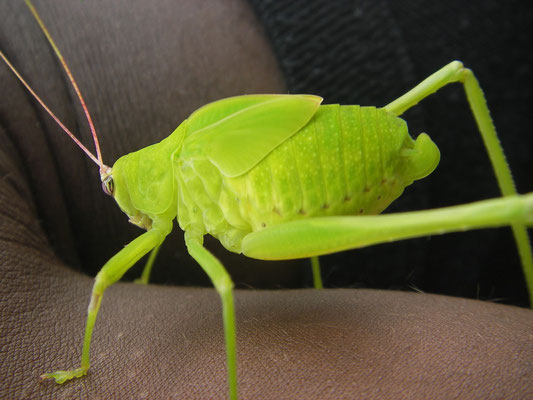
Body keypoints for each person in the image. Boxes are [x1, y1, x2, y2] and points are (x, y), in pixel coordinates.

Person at [1, 1, 531, 398]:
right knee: (454, 73)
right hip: (335, 72)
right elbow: (159, 227)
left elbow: (220, 288)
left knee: (502, 196)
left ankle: (82, 367)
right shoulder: (180, 149)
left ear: (138, 180)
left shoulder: (176, 190)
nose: (121, 198)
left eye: (117, 186)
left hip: (327, 170)